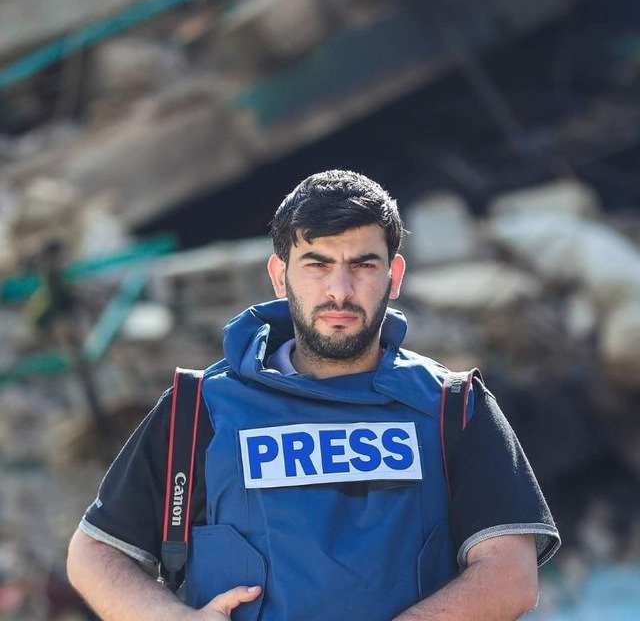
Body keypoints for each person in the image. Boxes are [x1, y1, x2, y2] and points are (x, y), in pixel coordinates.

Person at [67, 170, 560, 621]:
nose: (339, 290)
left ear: (394, 275)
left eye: (363, 265)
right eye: (317, 264)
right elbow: (95, 553)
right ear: (279, 275)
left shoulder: (453, 406)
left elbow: (510, 576)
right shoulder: (200, 409)